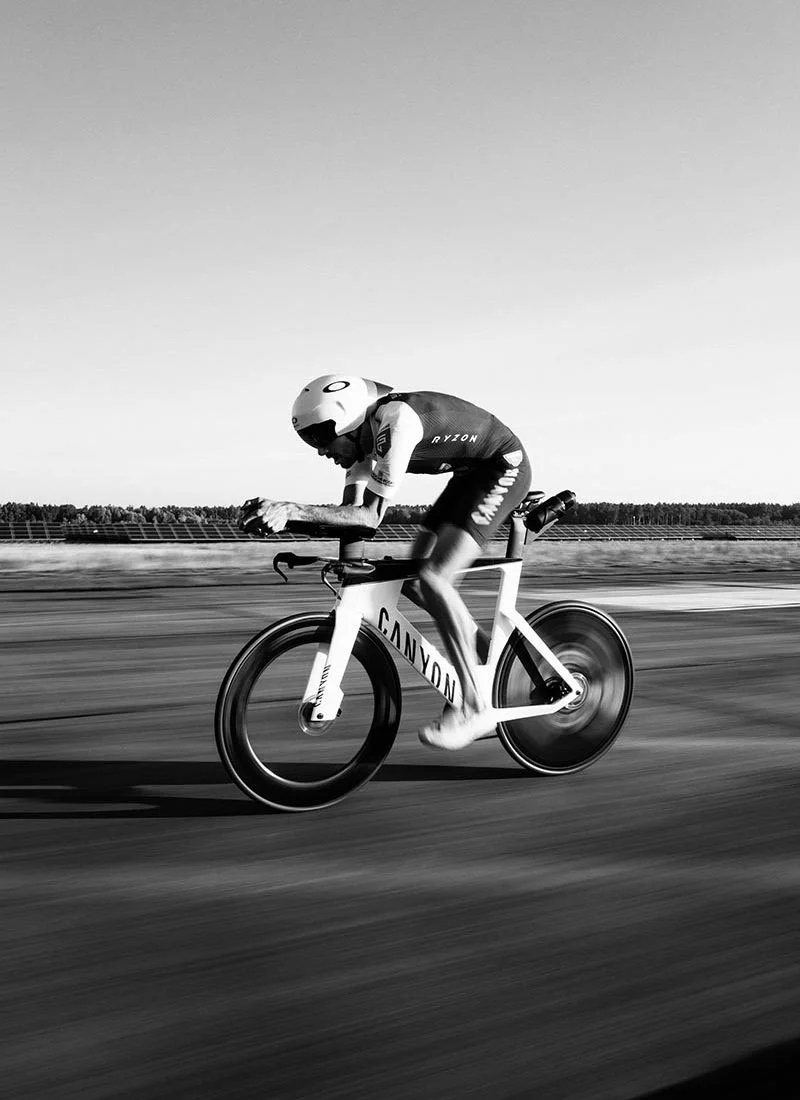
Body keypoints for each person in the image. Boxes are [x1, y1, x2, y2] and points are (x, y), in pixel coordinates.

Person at [240, 375, 532, 750]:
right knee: (414, 580)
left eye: (321, 438)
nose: (320, 451)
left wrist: (292, 509)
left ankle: (475, 708)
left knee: (435, 579)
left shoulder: (396, 422)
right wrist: (288, 525)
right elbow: (351, 521)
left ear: (346, 422)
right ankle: (494, 663)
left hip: (502, 466)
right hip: (469, 475)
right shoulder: (361, 451)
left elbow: (370, 517)